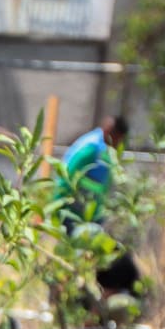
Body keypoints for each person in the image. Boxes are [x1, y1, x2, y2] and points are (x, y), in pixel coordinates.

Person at [55, 115, 141, 304]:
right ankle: (64, 300)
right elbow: (67, 176)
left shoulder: (107, 152)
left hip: (90, 215)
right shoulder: (91, 147)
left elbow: (105, 185)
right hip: (70, 211)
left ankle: (85, 302)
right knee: (76, 257)